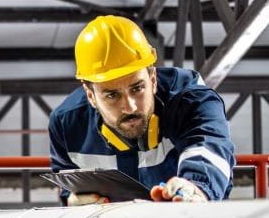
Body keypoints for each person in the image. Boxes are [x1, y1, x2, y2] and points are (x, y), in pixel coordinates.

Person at [48, 15, 235, 205]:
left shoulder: (193, 102)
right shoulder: (66, 124)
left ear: (153, 79)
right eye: (112, 95)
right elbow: (67, 182)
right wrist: (70, 200)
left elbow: (208, 149)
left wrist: (196, 189)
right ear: (91, 96)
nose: (130, 106)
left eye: (137, 88)